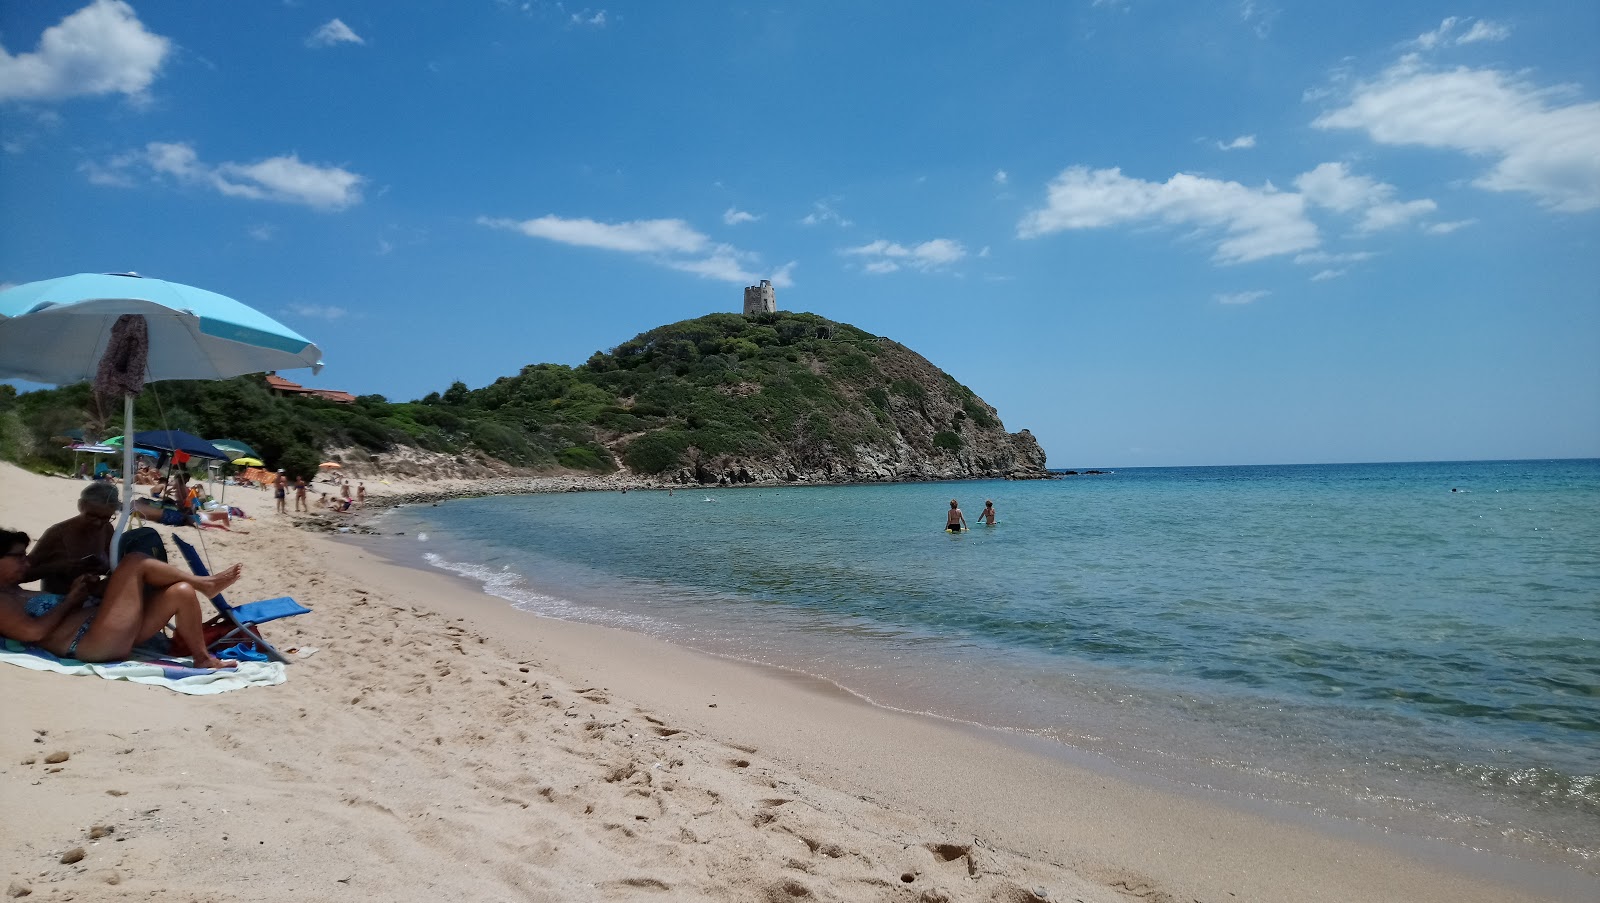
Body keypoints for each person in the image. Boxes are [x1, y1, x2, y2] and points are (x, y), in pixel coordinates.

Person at [0, 528, 241, 669]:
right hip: (90, 644)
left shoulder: (17, 591)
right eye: (18, 557)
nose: (27, 561)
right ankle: (205, 584)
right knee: (134, 561)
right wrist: (71, 600)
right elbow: (33, 633)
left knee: (181, 592)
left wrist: (86, 591)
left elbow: (59, 612)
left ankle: (202, 658)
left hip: (106, 631)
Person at [25, 482, 118, 594]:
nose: (98, 523)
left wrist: (101, 569)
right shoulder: (57, 533)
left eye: (106, 517)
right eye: (92, 515)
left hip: (87, 595)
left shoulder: (107, 529)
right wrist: (56, 568)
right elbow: (21, 574)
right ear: (80, 505)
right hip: (58, 599)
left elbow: (112, 566)